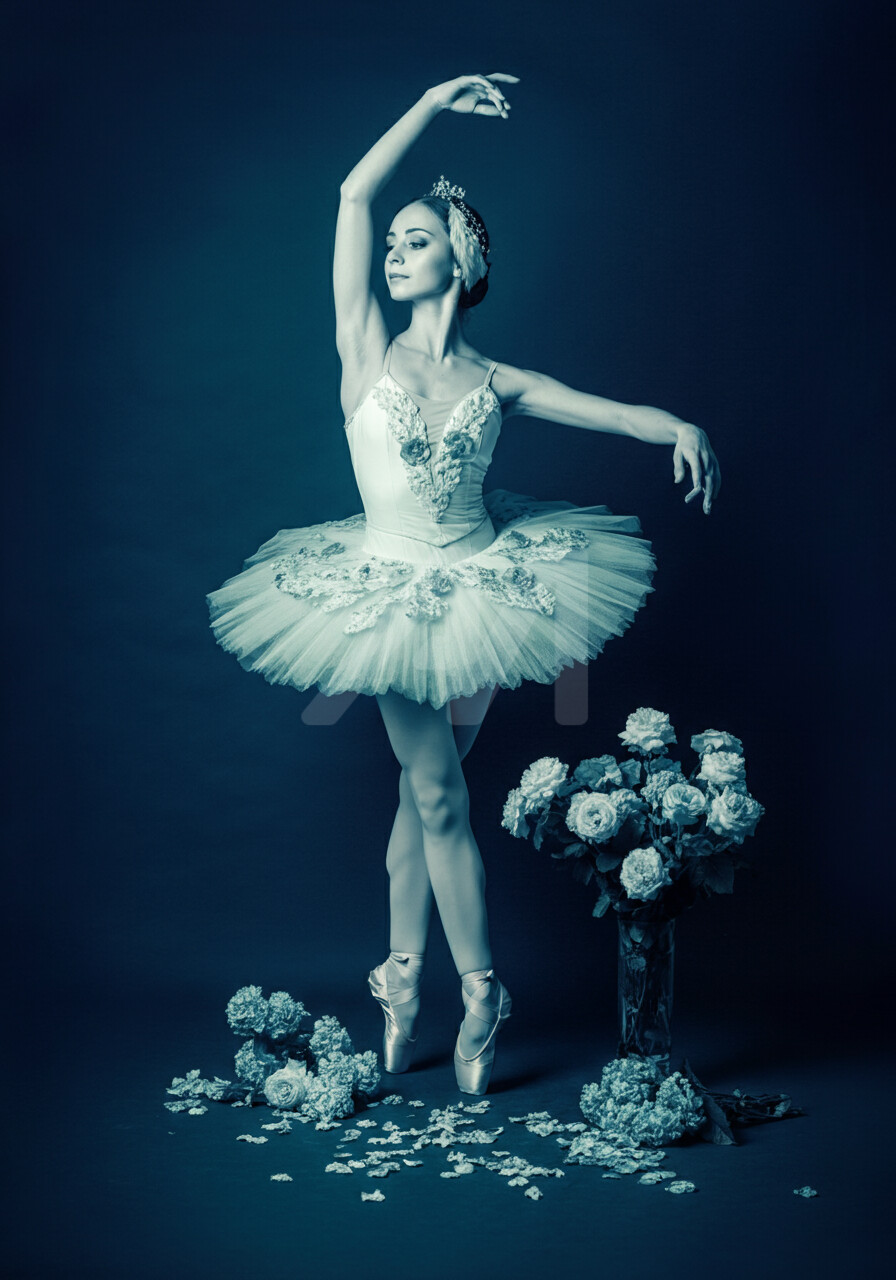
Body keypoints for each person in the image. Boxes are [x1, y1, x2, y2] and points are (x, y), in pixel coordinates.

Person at [206, 72, 721, 1096]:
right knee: (440, 791)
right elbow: (353, 196)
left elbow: (606, 409)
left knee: (422, 794)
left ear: (462, 259)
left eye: (416, 241)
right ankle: (483, 990)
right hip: (383, 598)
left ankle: (400, 976)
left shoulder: (498, 381)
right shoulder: (363, 348)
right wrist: (432, 103)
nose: (394, 253)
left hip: (489, 593)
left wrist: (678, 424)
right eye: (393, 244)